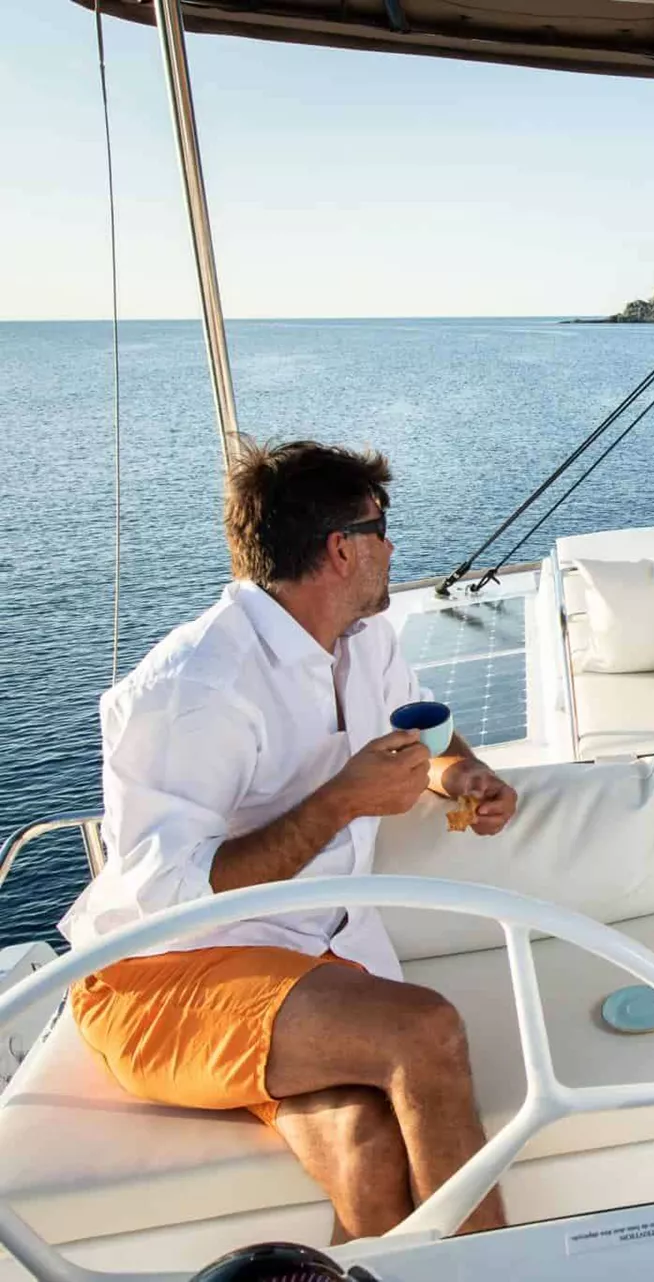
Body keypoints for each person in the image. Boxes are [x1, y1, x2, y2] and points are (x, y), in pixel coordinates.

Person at [59, 440, 522, 1241]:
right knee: (425, 1030)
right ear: (342, 549)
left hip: (316, 965)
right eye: (382, 529)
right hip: (163, 974)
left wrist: (464, 776)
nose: (393, 548)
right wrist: (339, 803)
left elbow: (430, 735)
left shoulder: (365, 640)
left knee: (367, 1144)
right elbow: (168, 893)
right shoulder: (195, 688)